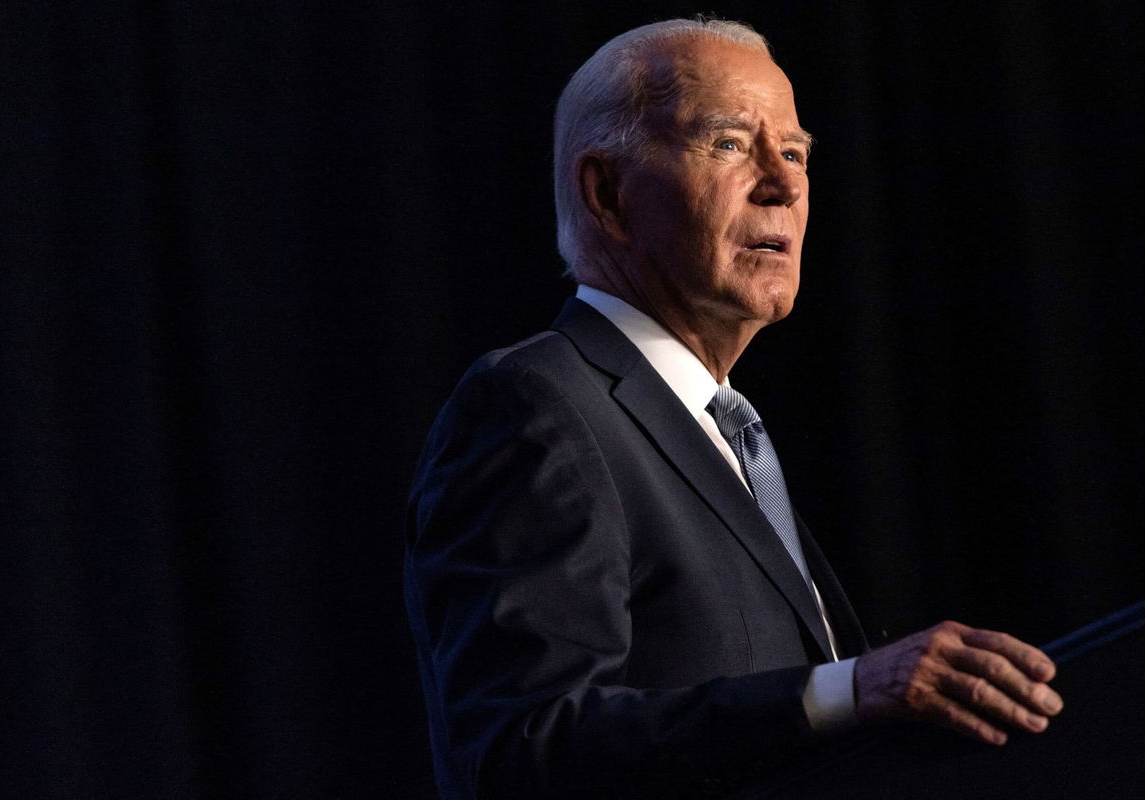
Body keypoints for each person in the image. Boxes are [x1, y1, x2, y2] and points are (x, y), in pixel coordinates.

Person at [404, 18, 1063, 799]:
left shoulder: (728, 431)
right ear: (606, 192)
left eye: (793, 152)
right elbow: (522, 750)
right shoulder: (538, 406)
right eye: (728, 144)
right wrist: (842, 692)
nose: (782, 184)